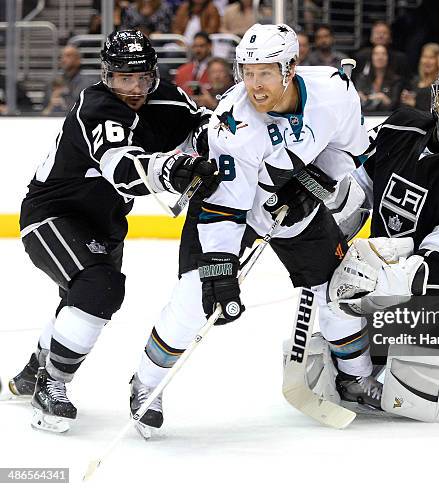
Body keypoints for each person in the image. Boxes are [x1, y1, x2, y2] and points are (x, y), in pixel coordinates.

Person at [128, 23, 373, 430]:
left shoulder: (336, 91)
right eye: (247, 71)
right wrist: (222, 273)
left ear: (290, 68)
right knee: (196, 297)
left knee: (338, 288)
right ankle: (146, 383)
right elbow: (227, 208)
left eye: (265, 72)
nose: (254, 85)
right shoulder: (234, 122)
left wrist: (314, 184)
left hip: (293, 207)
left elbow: (346, 149)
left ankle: (356, 378)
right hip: (225, 207)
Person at [7, 30, 220, 433]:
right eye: (124, 78)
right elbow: (123, 170)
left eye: (142, 77)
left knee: (79, 299)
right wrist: (173, 170)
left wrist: (212, 143)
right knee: (98, 286)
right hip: (52, 215)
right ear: (107, 76)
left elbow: (202, 127)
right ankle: (51, 383)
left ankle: (33, 370)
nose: (135, 88)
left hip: (105, 224)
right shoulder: (97, 106)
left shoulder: (170, 98)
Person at [326, 64, 439, 409]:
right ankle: (357, 374)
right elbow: (361, 184)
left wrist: (391, 275)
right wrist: (329, 230)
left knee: (427, 363)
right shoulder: (400, 126)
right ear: (434, 101)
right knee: (340, 292)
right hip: (385, 285)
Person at [43, 45, 97, 113]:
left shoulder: (89, 84)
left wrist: (66, 104)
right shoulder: (51, 84)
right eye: (61, 56)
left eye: (68, 56)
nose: (63, 60)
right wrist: (51, 105)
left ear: (78, 60)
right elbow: (43, 113)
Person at [355, 45, 402, 113]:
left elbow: (395, 105)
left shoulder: (396, 80)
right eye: (376, 54)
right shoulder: (362, 78)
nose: (380, 57)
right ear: (371, 57)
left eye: (383, 54)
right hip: (366, 117)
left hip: (388, 117)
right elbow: (359, 101)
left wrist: (384, 99)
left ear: (388, 58)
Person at [401, 43, 439, 112]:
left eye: (431, 57)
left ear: (438, 61)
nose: (427, 61)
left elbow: (437, 112)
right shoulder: (414, 81)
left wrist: (415, 104)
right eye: (424, 57)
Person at [174, 31, 213, 99]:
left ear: (209, 46)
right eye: (195, 46)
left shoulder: (217, 70)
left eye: (202, 46)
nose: (198, 50)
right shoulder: (182, 71)